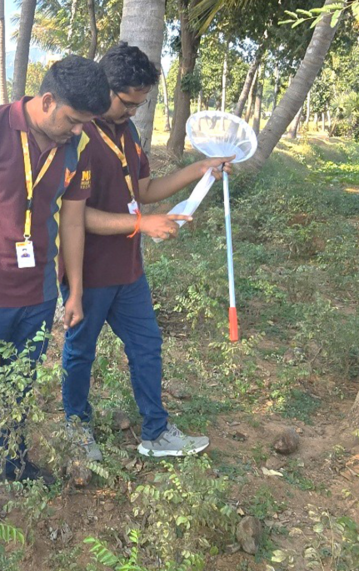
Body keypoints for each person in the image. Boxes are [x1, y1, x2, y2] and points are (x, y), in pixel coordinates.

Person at [0, 56, 111, 483]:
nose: (78, 130)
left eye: (85, 123)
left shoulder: (77, 146)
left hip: (38, 292)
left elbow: (71, 220)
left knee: (22, 382)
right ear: (47, 100)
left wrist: (74, 291)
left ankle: (11, 461)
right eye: (72, 120)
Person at [61, 42, 234, 461]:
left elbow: (143, 191)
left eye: (140, 104)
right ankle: (76, 429)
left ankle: (155, 432)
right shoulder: (79, 137)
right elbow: (76, 217)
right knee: (80, 352)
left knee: (147, 346)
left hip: (129, 269)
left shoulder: (128, 133)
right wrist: (142, 223)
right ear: (106, 89)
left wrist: (199, 169)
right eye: (128, 103)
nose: (134, 111)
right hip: (90, 270)